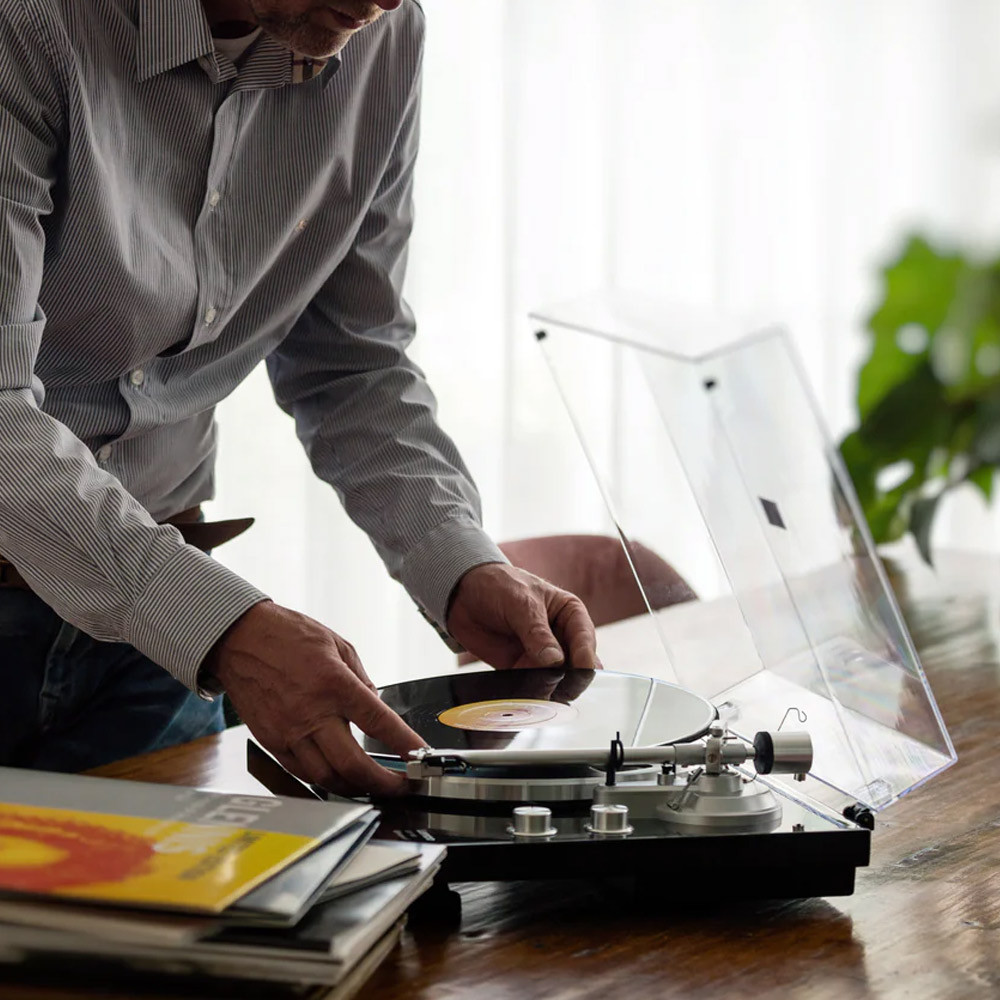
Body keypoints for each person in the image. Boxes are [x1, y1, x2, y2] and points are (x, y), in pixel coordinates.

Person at [0, 0, 598, 791]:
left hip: (152, 640)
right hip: (166, 607)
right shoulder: (27, 23)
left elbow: (350, 360)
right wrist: (223, 627)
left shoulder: (386, 38)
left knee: (196, 918)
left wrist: (453, 558)